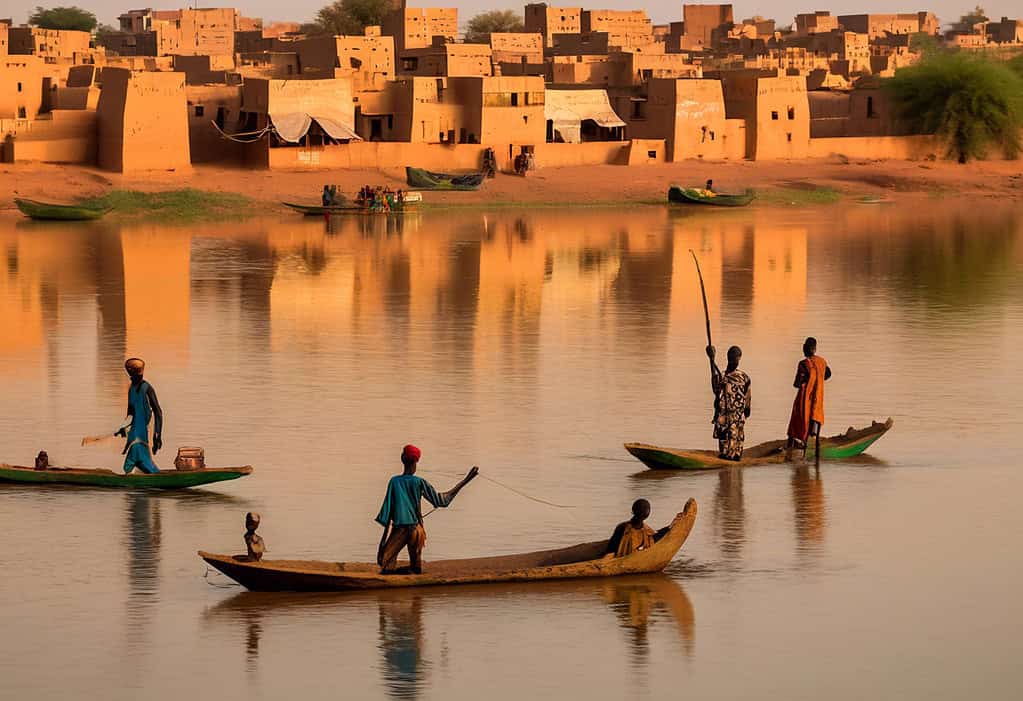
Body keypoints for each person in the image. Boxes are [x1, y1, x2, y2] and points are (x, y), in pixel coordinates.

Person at [375, 445, 479, 574]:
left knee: (385, 567)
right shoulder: (419, 482)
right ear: (416, 462)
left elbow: (388, 515)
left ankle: (405, 572)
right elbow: (442, 501)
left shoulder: (394, 482)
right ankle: (413, 570)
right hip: (417, 532)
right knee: (415, 569)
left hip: (400, 530)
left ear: (402, 459)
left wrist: (382, 546)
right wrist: (466, 480)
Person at [786, 337, 832, 463]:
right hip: (817, 401)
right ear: (815, 349)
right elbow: (828, 374)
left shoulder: (803, 364)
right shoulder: (822, 362)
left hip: (805, 400)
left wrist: (806, 381)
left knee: (796, 423)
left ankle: (792, 449)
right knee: (815, 424)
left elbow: (796, 384)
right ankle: (816, 454)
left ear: (805, 348)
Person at [116, 358, 163, 474]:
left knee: (137, 456)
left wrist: (157, 435)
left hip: (142, 432)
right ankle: (142, 474)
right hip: (133, 433)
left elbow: (158, 412)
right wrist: (123, 428)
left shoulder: (147, 388)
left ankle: (150, 474)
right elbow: (130, 414)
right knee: (134, 459)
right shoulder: (131, 388)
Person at [707, 345, 752, 461]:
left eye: (736, 359)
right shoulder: (722, 376)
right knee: (725, 451)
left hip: (736, 419)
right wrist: (711, 360)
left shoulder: (744, 378)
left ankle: (733, 458)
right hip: (725, 418)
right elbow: (715, 389)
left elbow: (748, 402)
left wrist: (743, 414)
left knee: (735, 452)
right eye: (733, 359)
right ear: (728, 358)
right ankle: (726, 461)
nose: (735, 361)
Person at [604, 499, 670, 557]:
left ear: (633, 510)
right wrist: (669, 528)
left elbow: (610, 548)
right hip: (626, 559)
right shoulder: (641, 531)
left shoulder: (621, 526)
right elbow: (653, 538)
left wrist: (668, 528)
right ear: (647, 514)